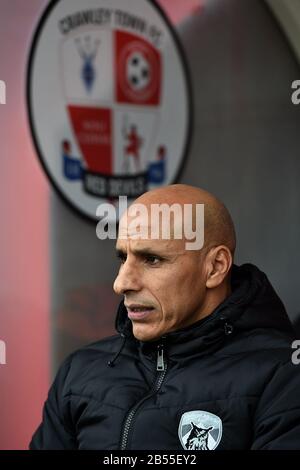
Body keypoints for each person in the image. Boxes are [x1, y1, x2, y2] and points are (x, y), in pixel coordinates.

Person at [30, 184, 300, 450]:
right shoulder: (79, 371)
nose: (121, 283)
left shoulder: (284, 374)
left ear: (215, 268)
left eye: (152, 260)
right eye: (123, 258)